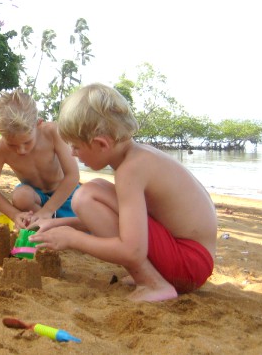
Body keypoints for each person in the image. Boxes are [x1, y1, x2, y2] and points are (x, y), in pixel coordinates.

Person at [29, 83, 217, 302]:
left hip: (188, 264)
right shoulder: (138, 157)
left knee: (87, 196)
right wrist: (61, 224)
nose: (72, 153)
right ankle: (152, 278)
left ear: (100, 143)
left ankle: (152, 283)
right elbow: (125, 222)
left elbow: (131, 250)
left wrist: (72, 239)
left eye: (76, 147)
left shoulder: (130, 170)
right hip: (192, 258)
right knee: (95, 190)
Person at [0, 89, 81, 230]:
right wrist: (15, 214)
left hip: (65, 195)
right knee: (21, 196)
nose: (21, 150)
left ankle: (53, 221)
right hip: (35, 200)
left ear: (38, 123)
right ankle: (42, 224)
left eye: (27, 142)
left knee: (89, 214)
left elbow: (72, 176)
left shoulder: (53, 133)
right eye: (12, 145)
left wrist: (47, 210)